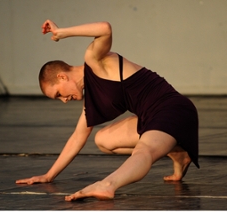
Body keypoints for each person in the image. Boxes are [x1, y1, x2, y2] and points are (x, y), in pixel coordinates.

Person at [16, 19, 199, 201]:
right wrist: (49, 176)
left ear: (62, 77)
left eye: (58, 94)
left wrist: (62, 32)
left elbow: (104, 28)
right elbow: (77, 138)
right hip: (150, 117)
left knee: (144, 150)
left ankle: (108, 185)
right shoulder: (91, 99)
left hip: (174, 109)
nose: (64, 100)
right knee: (103, 140)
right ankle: (178, 153)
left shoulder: (95, 60)